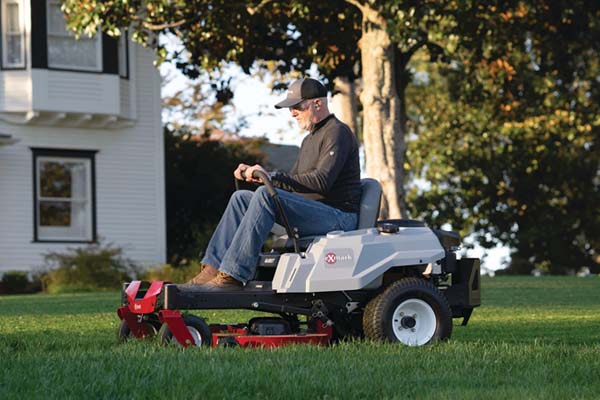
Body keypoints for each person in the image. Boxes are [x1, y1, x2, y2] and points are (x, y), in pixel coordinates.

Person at [188, 77, 361, 290]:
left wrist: (270, 178)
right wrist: (262, 176)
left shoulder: (337, 132)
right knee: (241, 198)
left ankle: (233, 274)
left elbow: (320, 182)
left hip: (338, 217)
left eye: (297, 106)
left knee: (263, 194)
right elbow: (295, 182)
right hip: (315, 211)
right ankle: (212, 269)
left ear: (318, 103)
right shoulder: (309, 140)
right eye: (290, 108)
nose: (292, 112)